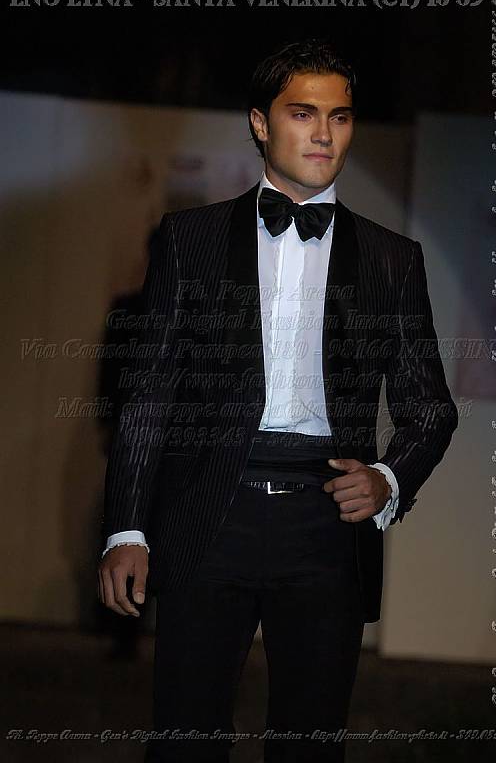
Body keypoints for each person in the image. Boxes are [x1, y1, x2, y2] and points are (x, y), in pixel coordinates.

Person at [98, 37, 458, 762]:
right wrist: (126, 529)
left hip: (325, 521)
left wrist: (389, 478)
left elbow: (430, 408)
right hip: (209, 510)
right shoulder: (190, 239)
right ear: (261, 123)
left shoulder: (392, 259)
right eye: (303, 113)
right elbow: (149, 394)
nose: (324, 133)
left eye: (340, 117)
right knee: (184, 740)